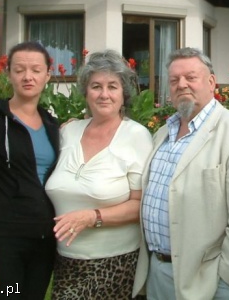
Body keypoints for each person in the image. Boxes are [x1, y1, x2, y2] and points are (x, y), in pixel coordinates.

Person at [136, 47, 229, 300]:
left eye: (191, 77)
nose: (181, 85)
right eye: (174, 80)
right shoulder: (162, 134)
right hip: (158, 274)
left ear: (211, 82)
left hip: (210, 280)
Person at [45, 49, 153, 299]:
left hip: (115, 263)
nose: (104, 94)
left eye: (112, 86)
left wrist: (91, 217)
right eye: (96, 86)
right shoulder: (68, 132)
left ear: (124, 94)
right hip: (65, 262)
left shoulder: (136, 137)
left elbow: (140, 205)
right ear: (86, 92)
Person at [0, 41, 60, 299]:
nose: (28, 76)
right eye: (19, 70)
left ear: (47, 75)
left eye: (36, 70)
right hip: (2, 242)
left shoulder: (51, 125)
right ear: (9, 74)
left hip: (43, 243)